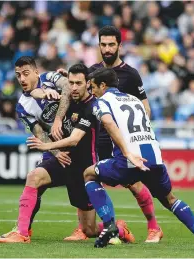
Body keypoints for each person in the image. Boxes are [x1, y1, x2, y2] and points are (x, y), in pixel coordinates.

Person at [0, 60, 134, 243]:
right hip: (58, 155)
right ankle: (22, 231)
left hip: (82, 161)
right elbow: (39, 134)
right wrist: (56, 154)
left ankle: (118, 228)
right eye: (18, 75)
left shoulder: (52, 78)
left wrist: (57, 117)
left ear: (37, 72)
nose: (22, 78)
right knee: (34, 178)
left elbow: (67, 87)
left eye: (26, 73)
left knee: (90, 229)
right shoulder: (22, 106)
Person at [82, 67, 194, 251]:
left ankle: (109, 224)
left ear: (103, 85)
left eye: (93, 87)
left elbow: (108, 122)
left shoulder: (102, 101)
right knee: (170, 199)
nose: (92, 91)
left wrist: (127, 153)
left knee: (89, 174)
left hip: (130, 159)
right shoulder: (135, 100)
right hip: (154, 158)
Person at [54, 25, 163, 243]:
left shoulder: (131, 75)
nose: (107, 48)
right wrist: (67, 82)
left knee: (133, 183)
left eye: (111, 44)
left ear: (119, 45)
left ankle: (154, 227)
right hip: (95, 138)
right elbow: (78, 89)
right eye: (103, 44)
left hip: (121, 140)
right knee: (87, 176)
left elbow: (146, 108)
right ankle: (87, 227)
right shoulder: (93, 71)